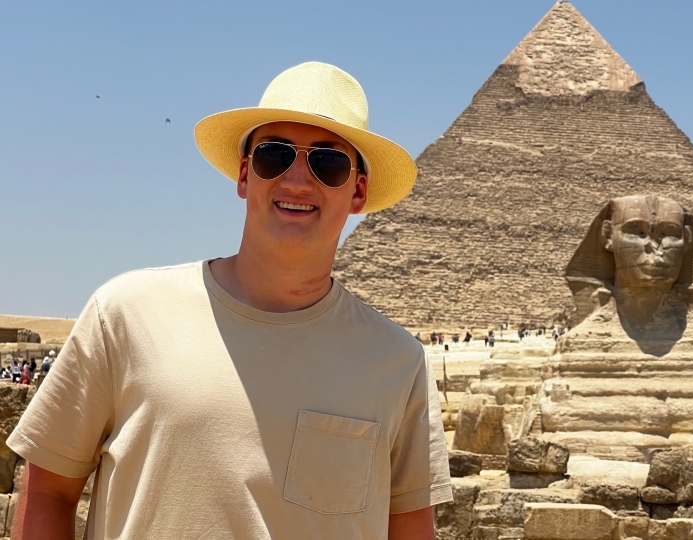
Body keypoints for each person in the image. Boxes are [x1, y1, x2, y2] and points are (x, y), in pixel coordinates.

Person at [9, 62, 451, 539]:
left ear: (358, 190)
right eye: (273, 156)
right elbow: (48, 494)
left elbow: (409, 530)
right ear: (245, 175)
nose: (298, 180)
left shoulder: (397, 363)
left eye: (328, 163)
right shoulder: (124, 314)